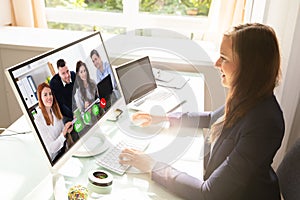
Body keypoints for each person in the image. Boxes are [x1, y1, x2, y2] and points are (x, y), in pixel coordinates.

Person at [119, 23, 285, 200]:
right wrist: (164, 118)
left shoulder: (264, 124)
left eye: (224, 58)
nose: (216, 63)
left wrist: (153, 166)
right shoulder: (248, 96)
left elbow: (209, 193)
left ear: (249, 68)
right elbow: (212, 118)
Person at [35, 82, 74, 162]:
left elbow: (61, 133)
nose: (49, 97)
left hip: (63, 152)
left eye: (50, 94)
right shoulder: (38, 120)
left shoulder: (55, 111)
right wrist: (63, 133)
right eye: (45, 95)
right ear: (40, 98)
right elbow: (51, 148)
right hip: (53, 159)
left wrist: (67, 131)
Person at [50, 59, 76, 123]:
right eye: (63, 73)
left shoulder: (73, 75)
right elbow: (62, 104)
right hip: (66, 113)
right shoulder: (54, 84)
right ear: (59, 74)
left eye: (67, 71)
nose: (67, 75)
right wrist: (73, 115)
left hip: (77, 107)